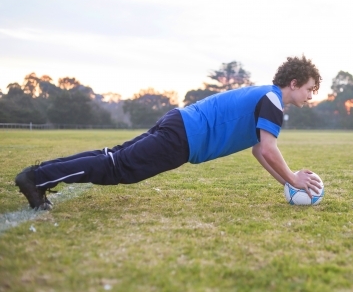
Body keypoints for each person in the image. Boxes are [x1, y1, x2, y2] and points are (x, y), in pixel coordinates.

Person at [15, 55, 323, 210]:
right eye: (309, 89)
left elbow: (259, 150)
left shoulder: (268, 99)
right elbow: (268, 149)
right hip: (185, 135)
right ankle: (36, 177)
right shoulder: (271, 101)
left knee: (115, 158)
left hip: (182, 126)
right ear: (293, 83)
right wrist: (293, 179)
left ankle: (39, 175)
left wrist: (289, 181)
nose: (310, 96)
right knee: (118, 165)